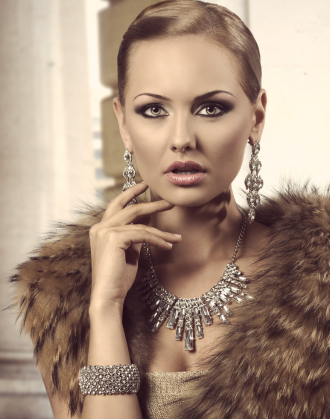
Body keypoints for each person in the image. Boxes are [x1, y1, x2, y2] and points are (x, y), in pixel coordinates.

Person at [10, 1, 330, 418]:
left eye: (210, 108)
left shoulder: (319, 277)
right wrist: (104, 308)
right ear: (124, 124)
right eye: (154, 110)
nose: (181, 139)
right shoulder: (60, 291)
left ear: (256, 117)